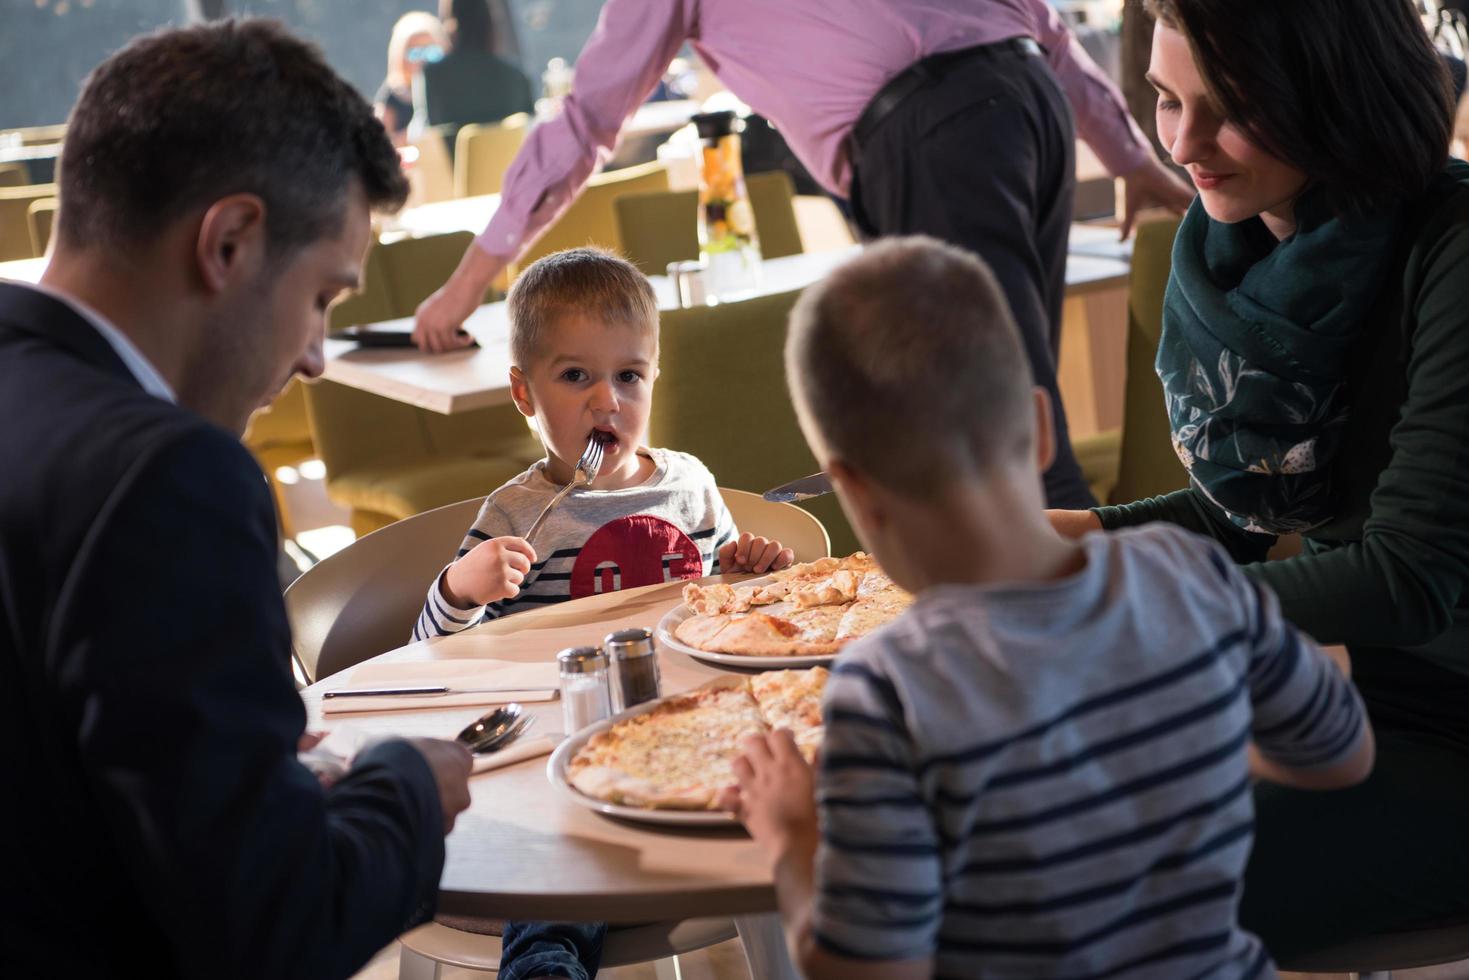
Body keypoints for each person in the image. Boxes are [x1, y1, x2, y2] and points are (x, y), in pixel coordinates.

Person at [716, 237, 1375, 979]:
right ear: (1039, 428)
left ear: (853, 489)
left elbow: (868, 971)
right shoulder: (1191, 573)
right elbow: (1342, 754)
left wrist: (793, 838)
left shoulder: (889, 689)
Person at [0, 20, 473, 979]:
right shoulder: (165, 479)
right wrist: (405, 784)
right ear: (230, 241)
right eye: (322, 300)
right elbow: (278, 926)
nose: (310, 358)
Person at [1048, 0, 1469, 961]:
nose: (1184, 142)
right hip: (1367, 690)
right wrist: (1079, 534)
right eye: (1164, 100)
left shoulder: (1452, 247)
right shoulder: (1255, 246)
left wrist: (1127, 611)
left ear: (1334, 93)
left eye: (1229, 105)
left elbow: (1404, 575)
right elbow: (1246, 510)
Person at [411, 0, 1197, 512]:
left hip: (934, 136)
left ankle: (1089, 687)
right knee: (1013, 410)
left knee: (999, 438)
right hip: (1027, 103)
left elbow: (584, 122)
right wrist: (1128, 162)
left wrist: (464, 286)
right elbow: (1048, 33)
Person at [411, 246, 794, 980]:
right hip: (570, 751)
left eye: (628, 376)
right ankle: (547, 963)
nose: (605, 401)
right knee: (554, 868)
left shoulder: (690, 487)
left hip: (694, 734)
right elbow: (432, 652)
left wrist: (748, 578)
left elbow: (715, 614)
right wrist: (461, 588)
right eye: (575, 376)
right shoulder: (517, 515)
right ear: (524, 393)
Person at [416, 0, 534, 152]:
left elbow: (426, 135)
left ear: (450, 23)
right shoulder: (516, 74)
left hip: (454, 173)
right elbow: (531, 129)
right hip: (512, 172)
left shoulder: (433, 75)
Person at [376, 11, 447, 146]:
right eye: (415, 53)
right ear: (399, 56)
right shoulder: (393, 97)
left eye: (433, 53)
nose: (423, 61)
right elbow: (380, 143)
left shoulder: (447, 91)